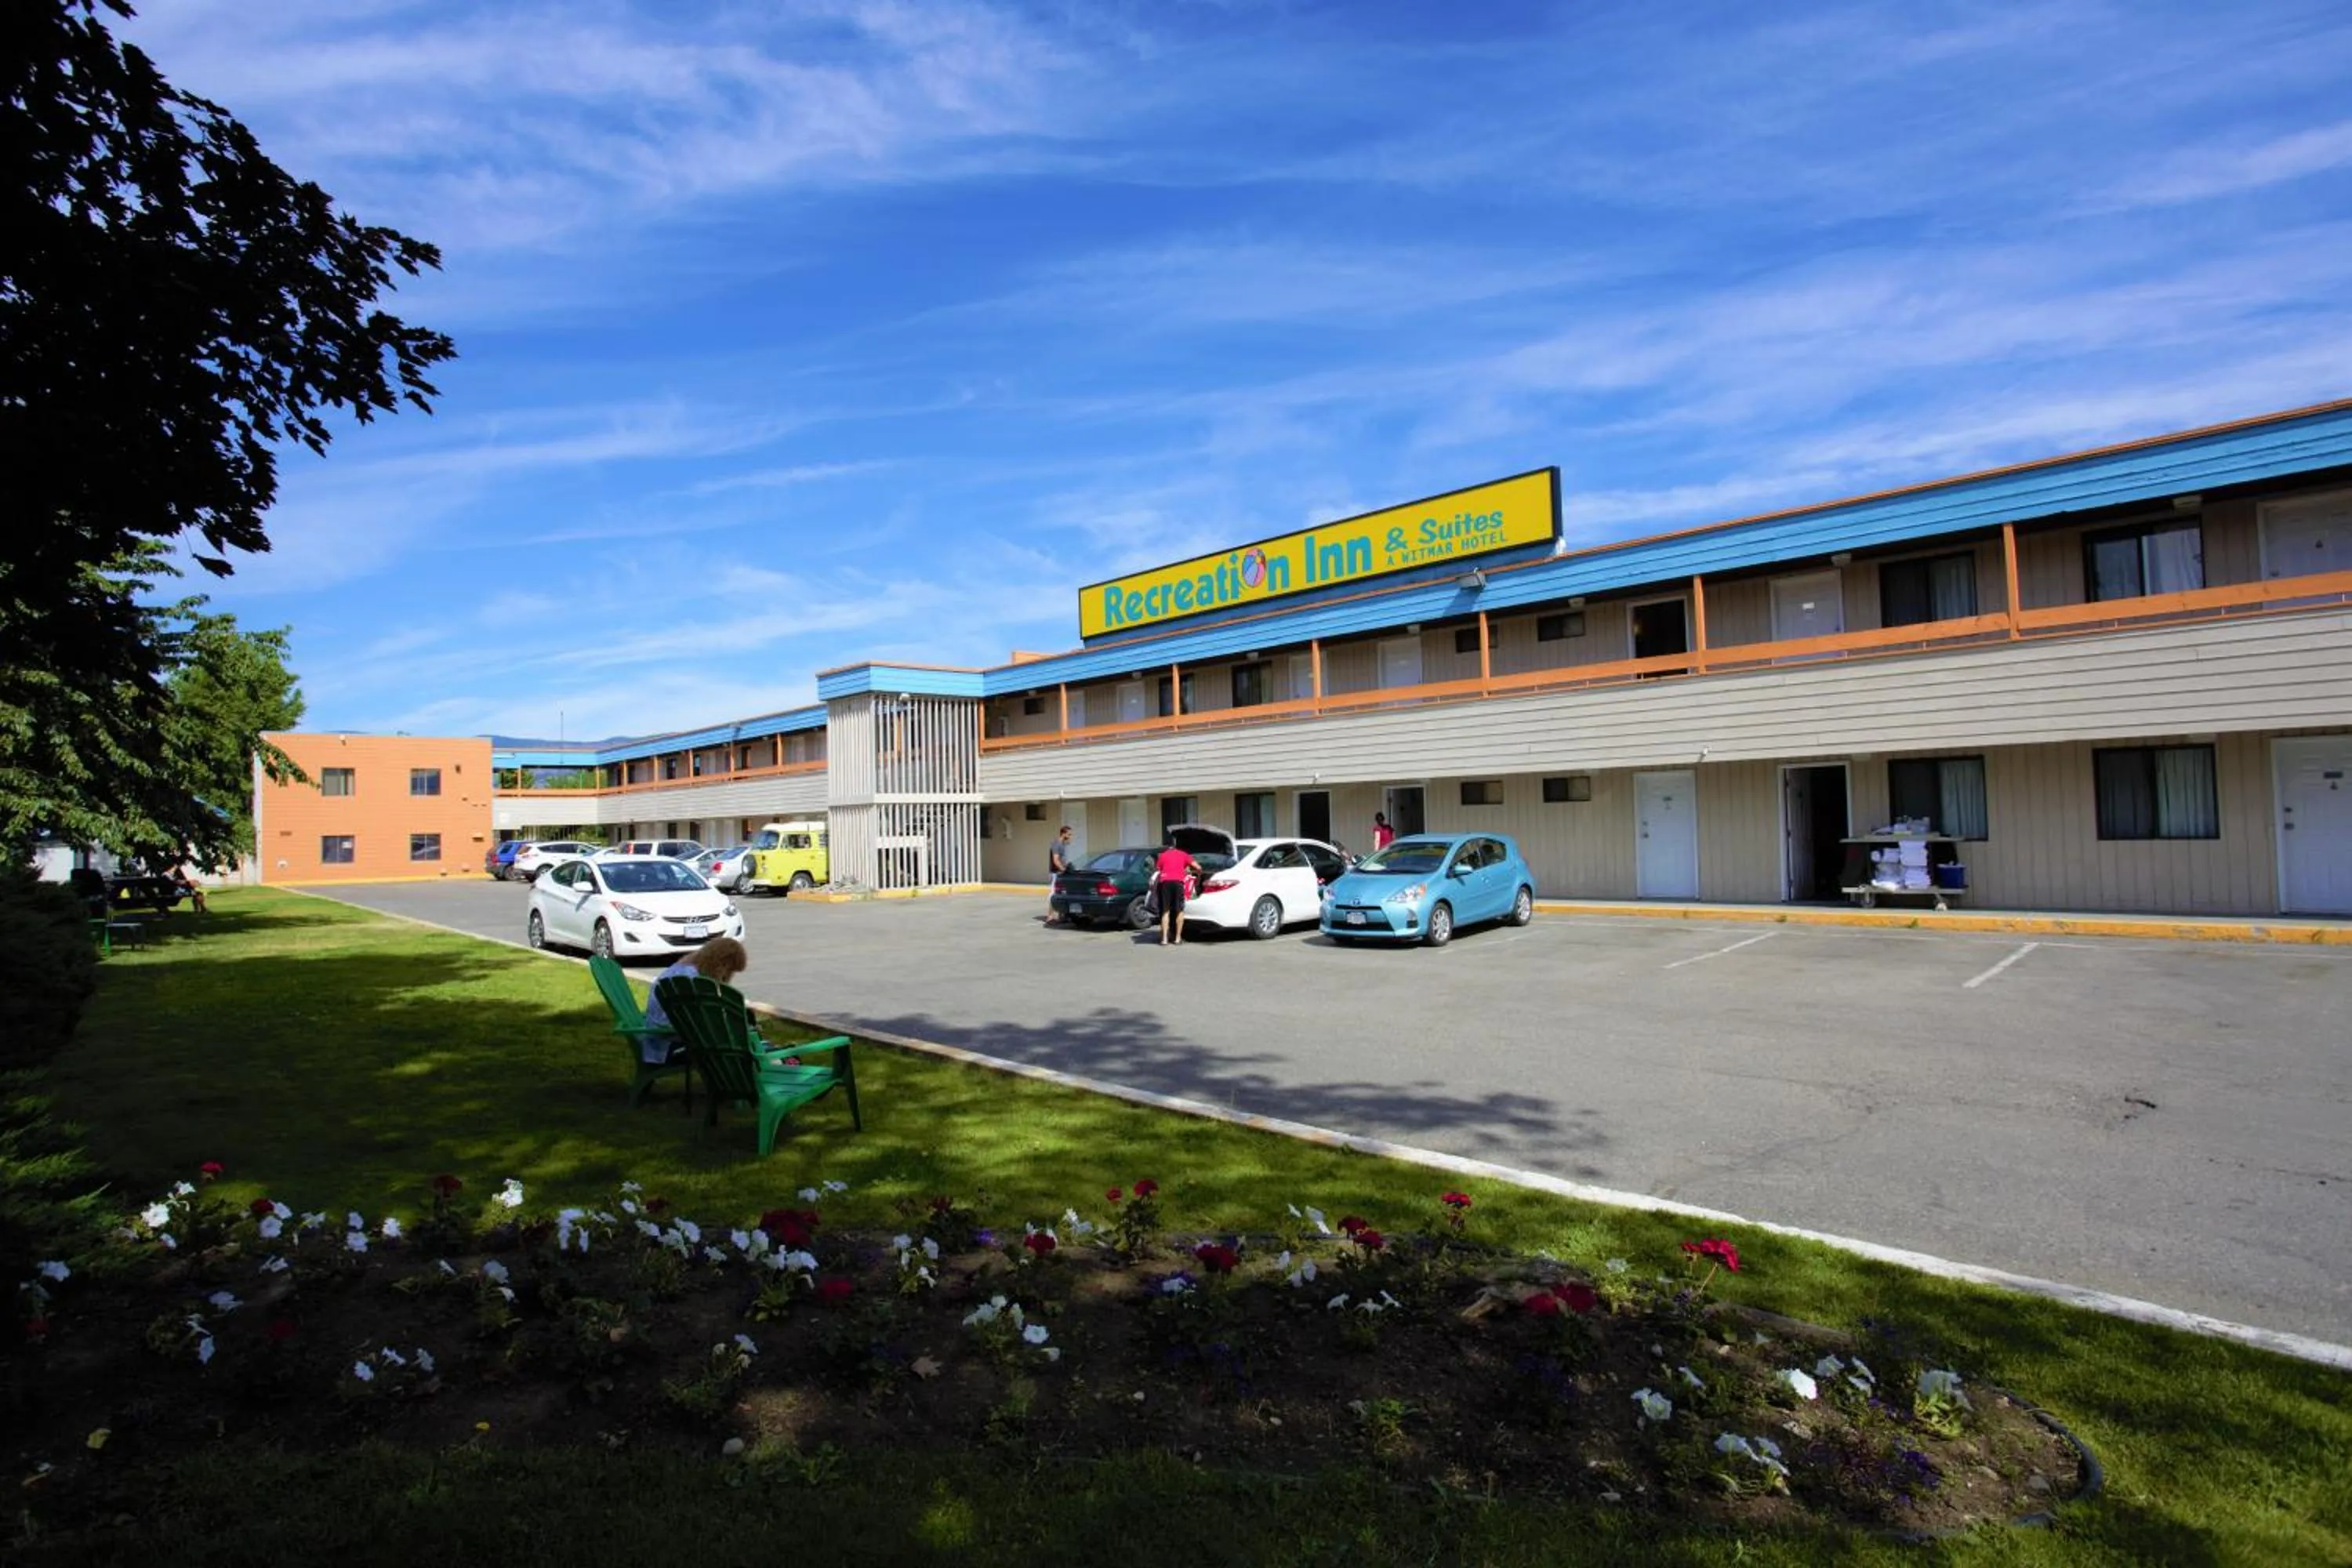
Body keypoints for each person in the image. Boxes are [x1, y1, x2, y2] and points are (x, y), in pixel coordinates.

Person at [641, 935, 750, 1062]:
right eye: (728, 969)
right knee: (738, 1047)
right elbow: (696, 1020)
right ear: (720, 962)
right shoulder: (689, 979)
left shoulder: (686, 970)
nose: (727, 975)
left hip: (669, 1036)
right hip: (668, 1045)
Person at [1152, 840, 1197, 946]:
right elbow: (1198, 867)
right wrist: (1197, 875)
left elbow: (1158, 869)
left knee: (1165, 911)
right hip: (1178, 883)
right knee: (1179, 910)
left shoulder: (1162, 855)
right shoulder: (1184, 855)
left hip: (1165, 883)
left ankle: (1164, 940)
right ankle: (1177, 939)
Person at [1044, 825, 1075, 924]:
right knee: (1053, 894)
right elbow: (1056, 860)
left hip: (1061, 873)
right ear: (1063, 834)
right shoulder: (1057, 844)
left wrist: (1067, 868)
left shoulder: (1062, 844)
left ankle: (1063, 916)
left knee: (1063, 893)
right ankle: (1050, 917)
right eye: (1069, 834)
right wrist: (1063, 869)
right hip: (1055, 873)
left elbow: (1061, 859)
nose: (1070, 837)